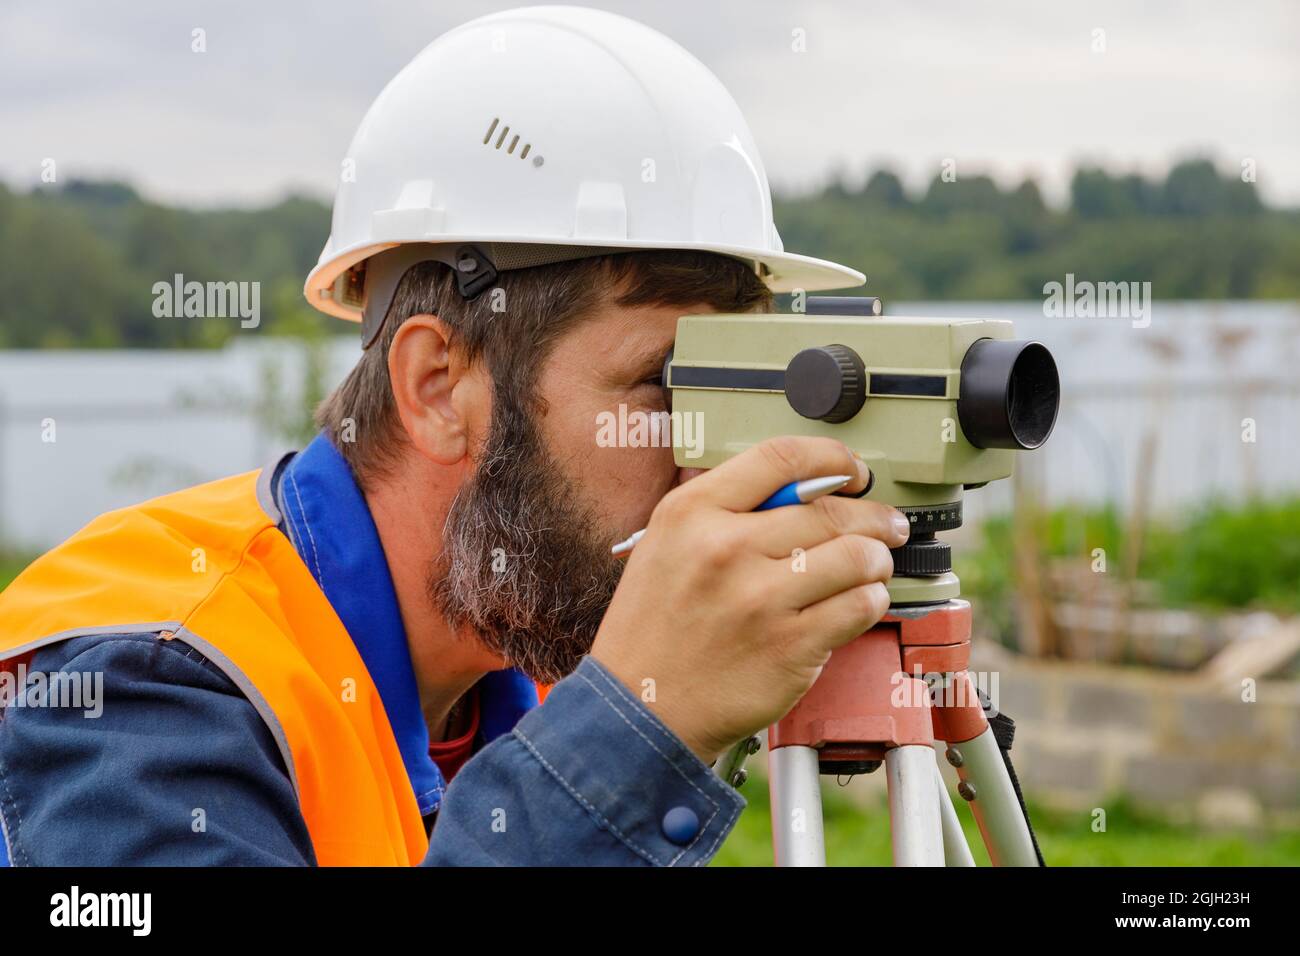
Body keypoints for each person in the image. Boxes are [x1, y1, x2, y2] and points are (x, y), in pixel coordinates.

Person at [0, 7, 908, 866]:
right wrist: (632, 732)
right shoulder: (140, 695)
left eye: (732, 385)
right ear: (437, 386)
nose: (711, 460)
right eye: (666, 385)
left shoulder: (538, 653)